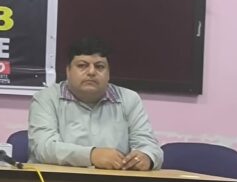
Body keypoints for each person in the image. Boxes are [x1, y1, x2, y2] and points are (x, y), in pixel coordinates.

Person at [28, 37, 162, 170]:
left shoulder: (129, 99)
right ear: (68, 71)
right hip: (57, 181)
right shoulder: (46, 98)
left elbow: (149, 145)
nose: (91, 72)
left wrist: (146, 157)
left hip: (115, 181)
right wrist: (91, 155)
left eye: (99, 67)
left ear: (108, 73)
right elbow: (43, 148)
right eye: (82, 66)